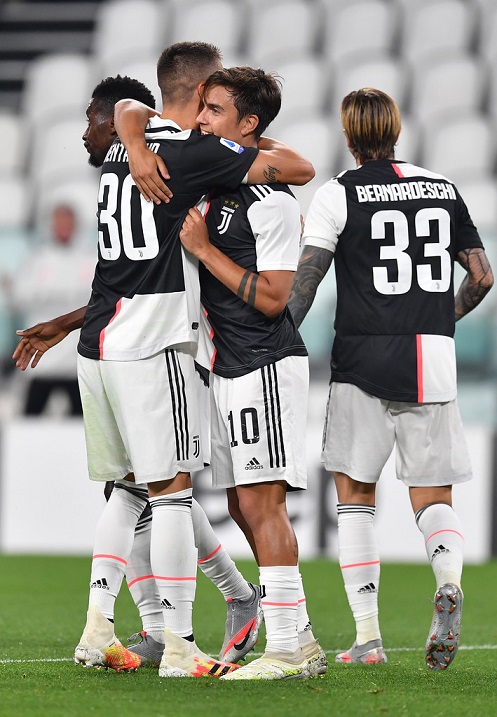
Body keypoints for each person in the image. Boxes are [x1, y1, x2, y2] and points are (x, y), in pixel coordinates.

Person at [15, 42, 314, 678]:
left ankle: (103, 628)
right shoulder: (195, 151)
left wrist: (136, 128)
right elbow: (299, 166)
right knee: (174, 494)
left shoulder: (117, 149)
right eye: (210, 101)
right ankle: (179, 640)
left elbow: (124, 108)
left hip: (102, 341)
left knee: (127, 490)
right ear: (201, 92)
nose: (210, 114)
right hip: (158, 344)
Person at [119, 66, 326, 680]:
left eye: (214, 110)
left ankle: (291, 648)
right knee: (240, 503)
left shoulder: (272, 202)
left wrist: (205, 250)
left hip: (264, 360)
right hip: (228, 364)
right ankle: (299, 631)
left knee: (262, 505)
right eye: (202, 107)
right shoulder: (216, 180)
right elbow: (131, 110)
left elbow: (274, 298)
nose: (201, 120)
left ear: (248, 126)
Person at [288, 88, 494, 671]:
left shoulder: (339, 195)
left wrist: (272, 344)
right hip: (432, 356)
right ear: (397, 130)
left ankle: (368, 641)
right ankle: (448, 581)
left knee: (355, 497)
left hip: (362, 359)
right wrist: (439, 317)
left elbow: (304, 290)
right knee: (432, 496)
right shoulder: (441, 187)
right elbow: (481, 276)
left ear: (349, 136)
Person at [8, 203, 94, 415]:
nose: (63, 226)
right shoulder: (37, 259)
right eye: (59, 221)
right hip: (42, 356)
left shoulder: (90, 258)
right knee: (31, 419)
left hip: (77, 355)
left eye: (68, 221)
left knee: (82, 422)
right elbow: (18, 297)